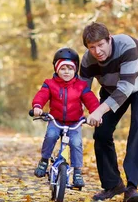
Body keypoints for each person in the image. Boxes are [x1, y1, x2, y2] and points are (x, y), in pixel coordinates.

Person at [79, 22, 138, 202]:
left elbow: (125, 88)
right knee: (101, 132)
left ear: (110, 40)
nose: (97, 51)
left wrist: (99, 110)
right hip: (111, 89)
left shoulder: (127, 47)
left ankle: (132, 187)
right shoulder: (87, 60)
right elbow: (81, 90)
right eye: (92, 47)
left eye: (101, 45)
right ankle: (112, 185)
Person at [31, 47, 100, 188]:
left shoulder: (81, 86)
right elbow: (42, 95)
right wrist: (37, 106)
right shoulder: (50, 84)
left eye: (70, 68)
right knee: (50, 135)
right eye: (63, 68)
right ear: (56, 69)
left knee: (76, 143)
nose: (66, 72)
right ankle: (44, 160)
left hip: (75, 122)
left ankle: (77, 172)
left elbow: (91, 100)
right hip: (55, 120)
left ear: (75, 70)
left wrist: (96, 113)